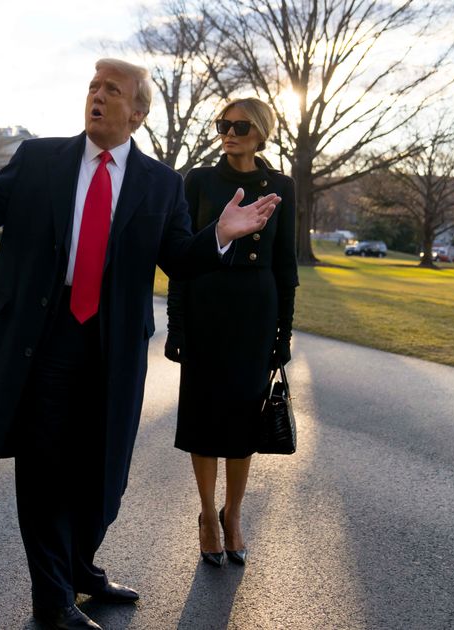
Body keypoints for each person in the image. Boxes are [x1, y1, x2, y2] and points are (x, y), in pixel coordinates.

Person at [0, 59, 279, 630]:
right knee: (44, 470)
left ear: (137, 112)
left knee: (104, 472)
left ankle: (80, 566)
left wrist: (218, 235)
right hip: (43, 339)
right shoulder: (40, 158)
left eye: (111, 91)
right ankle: (53, 601)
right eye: (92, 87)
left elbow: (179, 260)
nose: (96, 96)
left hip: (112, 345)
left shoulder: (159, 183)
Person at [164, 98, 298, 567]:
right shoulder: (199, 180)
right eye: (223, 124)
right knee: (203, 417)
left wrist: (283, 335)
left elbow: (286, 266)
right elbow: (181, 257)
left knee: (244, 419)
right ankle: (206, 515)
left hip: (255, 314)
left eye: (240, 125)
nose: (229, 132)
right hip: (205, 306)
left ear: (260, 131)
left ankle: (234, 515)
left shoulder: (281, 186)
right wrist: (176, 324)